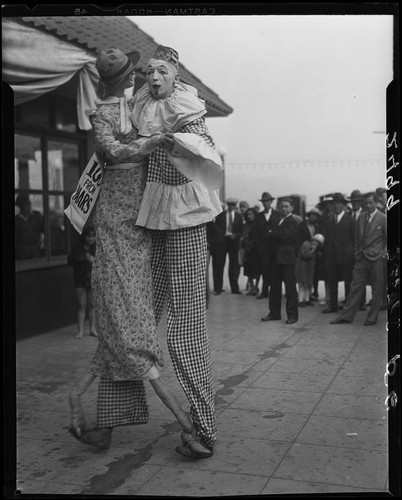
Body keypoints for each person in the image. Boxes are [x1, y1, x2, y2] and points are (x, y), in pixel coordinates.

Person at [68, 48, 211, 459]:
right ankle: (187, 424)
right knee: (128, 330)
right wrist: (153, 143)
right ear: (126, 77)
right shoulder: (106, 112)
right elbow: (111, 150)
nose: (147, 76)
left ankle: (94, 418)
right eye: (140, 72)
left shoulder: (140, 104)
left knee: (119, 333)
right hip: (120, 217)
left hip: (143, 216)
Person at [130, 45, 224, 457]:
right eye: (149, 72)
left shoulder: (187, 109)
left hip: (185, 216)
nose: (154, 78)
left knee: (185, 330)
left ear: (175, 74)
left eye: (162, 71)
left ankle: (204, 427)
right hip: (151, 215)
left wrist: (174, 141)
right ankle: (111, 413)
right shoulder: (140, 108)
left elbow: (206, 151)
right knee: (135, 314)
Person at [330, 192, 387, 326]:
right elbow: (356, 237)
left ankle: (372, 317)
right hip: (361, 258)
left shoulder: (383, 218)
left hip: (377, 258)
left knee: (377, 288)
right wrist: (357, 251)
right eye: (365, 203)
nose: (367, 205)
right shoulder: (361, 217)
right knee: (355, 287)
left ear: (376, 203)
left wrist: (382, 253)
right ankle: (346, 316)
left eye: (370, 203)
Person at [261, 198, 299, 325]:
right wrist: (274, 233)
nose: (283, 209)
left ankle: (292, 315)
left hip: (287, 259)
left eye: (286, 206)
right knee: (274, 287)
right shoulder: (277, 220)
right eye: (282, 206)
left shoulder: (293, 221)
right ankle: (274, 313)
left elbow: (285, 235)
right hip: (275, 258)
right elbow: (268, 235)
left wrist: (273, 233)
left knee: (290, 288)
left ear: (292, 208)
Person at [322, 193, 355, 314]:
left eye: (339, 204)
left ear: (344, 205)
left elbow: (354, 239)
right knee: (332, 282)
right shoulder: (329, 221)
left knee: (348, 283)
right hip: (332, 257)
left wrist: (353, 254)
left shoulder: (350, 221)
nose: (336, 206)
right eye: (334, 204)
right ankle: (333, 306)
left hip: (346, 257)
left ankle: (348, 306)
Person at [67, 225, 97, 339]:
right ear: (84, 237)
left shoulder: (97, 249)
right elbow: (70, 261)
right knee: (81, 305)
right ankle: (80, 330)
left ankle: (92, 329)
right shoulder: (77, 248)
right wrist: (83, 258)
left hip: (92, 279)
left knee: (92, 305)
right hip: (80, 279)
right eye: (88, 236)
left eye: (93, 236)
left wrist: (93, 260)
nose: (90, 239)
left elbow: (103, 264)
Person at [212, 198, 244, 295]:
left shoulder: (239, 216)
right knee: (219, 265)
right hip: (222, 243)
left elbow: (241, 231)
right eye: (229, 204)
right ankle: (218, 288)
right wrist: (220, 236)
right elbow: (216, 229)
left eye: (233, 205)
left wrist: (235, 235)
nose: (231, 207)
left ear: (235, 206)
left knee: (234, 266)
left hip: (233, 243)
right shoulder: (221, 215)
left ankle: (235, 288)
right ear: (227, 205)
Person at [254, 192, 281, 299]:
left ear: (271, 202)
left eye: (267, 201)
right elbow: (255, 232)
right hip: (263, 248)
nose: (266, 204)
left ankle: (274, 292)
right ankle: (264, 291)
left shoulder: (277, 215)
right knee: (264, 269)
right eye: (264, 202)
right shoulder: (259, 216)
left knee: (275, 270)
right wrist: (259, 246)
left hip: (275, 247)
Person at [295, 233, 325, 307]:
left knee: (308, 284)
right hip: (302, 267)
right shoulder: (305, 244)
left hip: (309, 269)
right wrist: (312, 250)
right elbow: (305, 255)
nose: (316, 244)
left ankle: (307, 299)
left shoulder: (315, 250)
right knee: (302, 284)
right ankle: (300, 300)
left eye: (318, 243)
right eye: (316, 241)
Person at [15, 194, 44, 260]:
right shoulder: (17, 219)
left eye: (27, 204)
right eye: (22, 205)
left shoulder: (38, 217)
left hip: (35, 251)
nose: (26, 206)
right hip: (21, 252)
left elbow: (45, 231)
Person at [241, 207, 260, 295]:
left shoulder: (257, 224)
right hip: (247, 250)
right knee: (249, 270)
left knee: (256, 270)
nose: (249, 216)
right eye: (248, 214)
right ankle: (251, 286)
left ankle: (256, 287)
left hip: (255, 250)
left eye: (251, 214)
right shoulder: (246, 225)